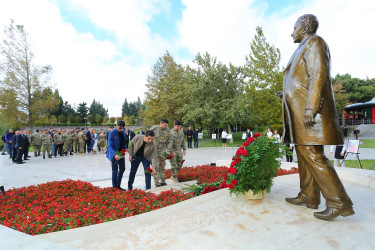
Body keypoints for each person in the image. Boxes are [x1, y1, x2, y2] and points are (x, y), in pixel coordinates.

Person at [282, 14, 353, 220]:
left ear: (303, 28)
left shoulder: (314, 42)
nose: (291, 32)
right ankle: (308, 195)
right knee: (304, 155)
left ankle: (339, 202)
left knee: (313, 154)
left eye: (294, 28)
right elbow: (301, 80)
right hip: (299, 111)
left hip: (310, 114)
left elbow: (318, 75)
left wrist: (310, 109)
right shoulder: (303, 46)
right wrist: (287, 93)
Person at [150, 118, 173, 187]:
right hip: (154, 151)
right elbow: (147, 137)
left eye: (166, 125)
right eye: (164, 125)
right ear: (160, 123)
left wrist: (168, 149)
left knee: (162, 166)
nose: (166, 127)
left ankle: (163, 181)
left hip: (162, 151)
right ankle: (157, 182)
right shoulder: (154, 129)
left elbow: (170, 140)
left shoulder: (168, 131)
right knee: (155, 166)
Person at [106, 120, 127, 191]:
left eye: (123, 128)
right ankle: (114, 188)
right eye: (120, 128)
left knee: (122, 168)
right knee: (115, 170)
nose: (121, 129)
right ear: (116, 126)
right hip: (114, 153)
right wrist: (115, 154)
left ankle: (118, 185)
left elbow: (123, 142)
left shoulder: (123, 131)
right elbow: (109, 146)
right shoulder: (112, 133)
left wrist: (124, 150)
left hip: (121, 152)